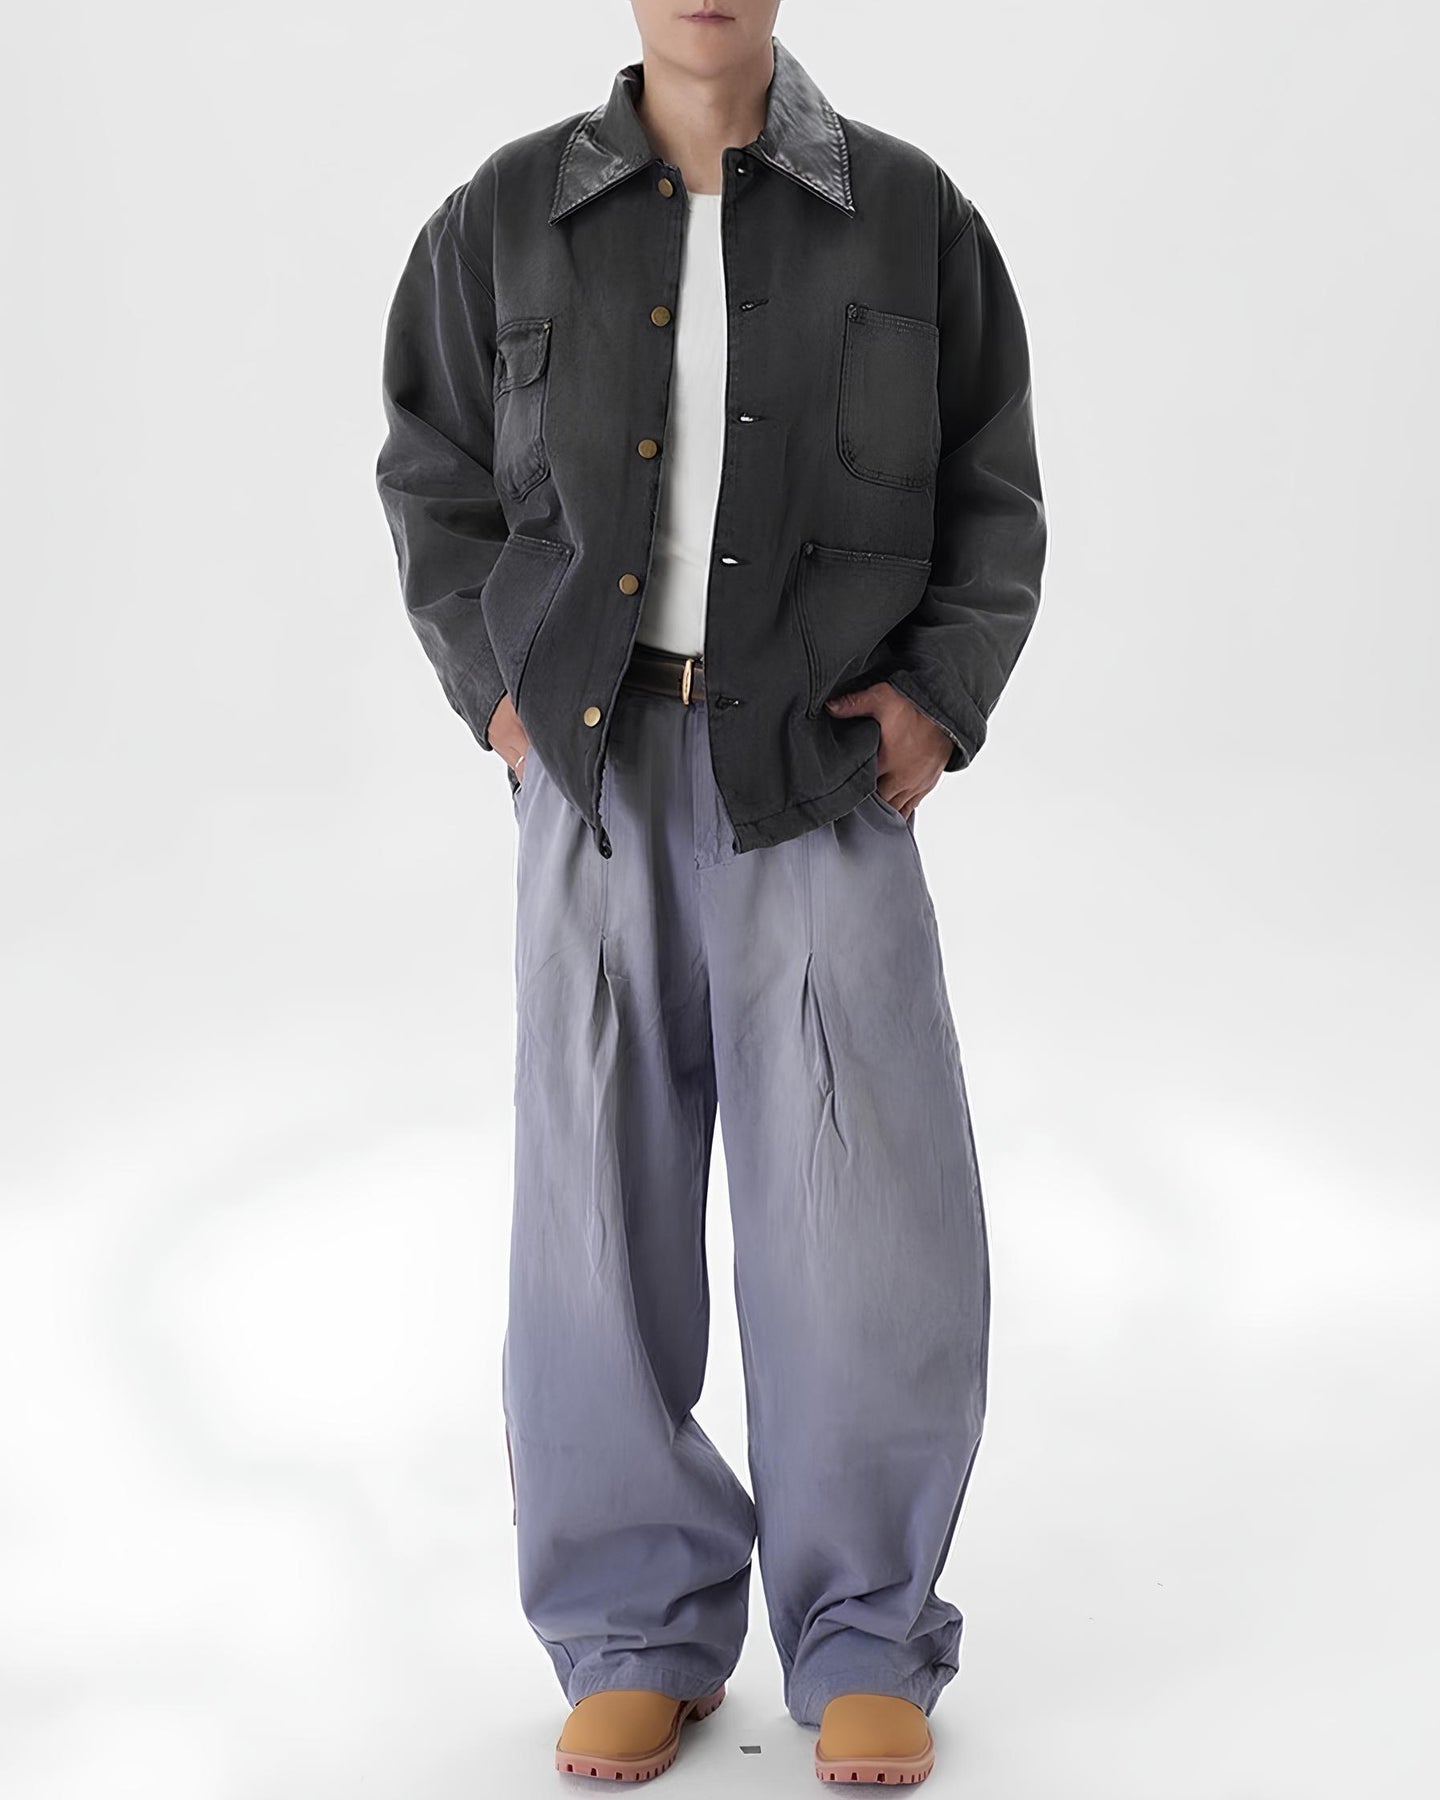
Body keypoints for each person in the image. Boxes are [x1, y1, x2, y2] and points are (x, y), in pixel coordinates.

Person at [375, 1, 1046, 1784]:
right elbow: (434, 468)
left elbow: (991, 486)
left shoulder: (909, 216)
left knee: (866, 1208)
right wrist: (497, 696)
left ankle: (865, 1629)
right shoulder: (504, 216)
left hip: (818, 772)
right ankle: (635, 1625)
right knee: (591, 1208)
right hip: (593, 776)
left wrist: (938, 696)